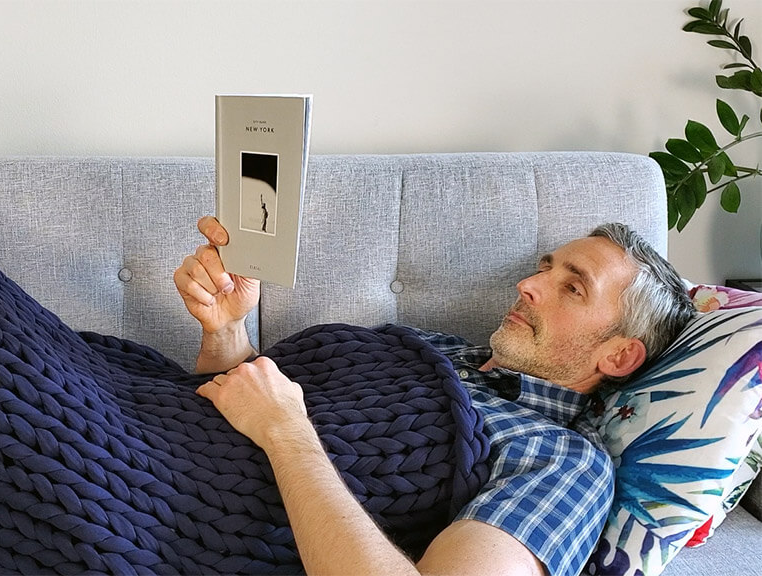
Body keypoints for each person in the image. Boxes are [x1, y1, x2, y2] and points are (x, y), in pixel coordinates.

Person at [173, 216, 696, 576]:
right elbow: (246, 405)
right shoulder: (436, 348)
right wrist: (225, 332)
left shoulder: (564, 463)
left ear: (619, 356)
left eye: (573, 287)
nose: (527, 285)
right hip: (154, 423)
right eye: (545, 268)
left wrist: (288, 433)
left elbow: (278, 422)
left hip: (174, 506)